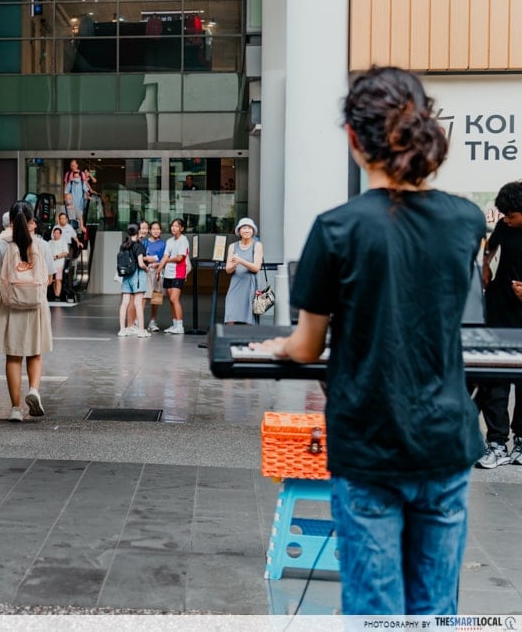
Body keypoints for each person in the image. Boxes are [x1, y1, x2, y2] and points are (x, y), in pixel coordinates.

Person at [251, 66, 486, 615]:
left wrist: (274, 346)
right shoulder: (466, 221)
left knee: (375, 612)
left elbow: (306, 348)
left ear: (355, 139)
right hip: (445, 442)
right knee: (434, 611)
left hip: (369, 445)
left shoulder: (337, 228)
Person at [0, 201, 55, 423]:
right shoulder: (42, 245)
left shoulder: (0, 245)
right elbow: (49, 278)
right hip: (36, 305)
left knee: (13, 356)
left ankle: (14, 408)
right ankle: (33, 389)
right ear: (33, 221)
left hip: (10, 304)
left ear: (10, 222)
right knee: (34, 352)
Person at [474, 181, 522, 468]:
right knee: (495, 380)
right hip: (499, 310)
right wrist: (486, 266)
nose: (505, 219)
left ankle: (520, 443)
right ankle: (496, 443)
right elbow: (489, 250)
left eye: (511, 214)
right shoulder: (505, 226)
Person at [223, 217, 264, 325]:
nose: (247, 230)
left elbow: (256, 268)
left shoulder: (257, 245)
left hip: (250, 284)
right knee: (230, 313)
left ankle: (247, 340)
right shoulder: (233, 246)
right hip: (235, 283)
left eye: (250, 228)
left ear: (253, 231)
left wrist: (240, 260)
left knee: (248, 317)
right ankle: (229, 339)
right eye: (244, 228)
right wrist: (234, 265)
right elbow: (228, 269)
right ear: (239, 231)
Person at [155, 218, 190, 334]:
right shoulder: (169, 241)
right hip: (168, 273)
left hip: (178, 273)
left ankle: (180, 326)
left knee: (174, 299)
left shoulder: (183, 240)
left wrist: (167, 261)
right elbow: (165, 257)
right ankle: (175, 325)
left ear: (182, 228)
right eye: (172, 226)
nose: (174, 228)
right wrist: (158, 270)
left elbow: (180, 258)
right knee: (171, 301)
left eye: (176, 226)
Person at [117, 222, 149, 337]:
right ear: (138, 231)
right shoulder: (139, 246)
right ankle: (141, 331)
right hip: (137, 276)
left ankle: (122, 329)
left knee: (124, 303)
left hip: (126, 276)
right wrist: (147, 268)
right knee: (138, 303)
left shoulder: (124, 245)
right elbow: (141, 263)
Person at [143, 221, 167, 332]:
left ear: (161, 230)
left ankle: (152, 321)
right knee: (143, 297)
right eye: (153, 229)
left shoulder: (163, 244)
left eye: (158, 229)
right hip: (146, 271)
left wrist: (158, 264)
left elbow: (164, 259)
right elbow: (140, 257)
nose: (156, 231)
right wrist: (148, 259)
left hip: (158, 272)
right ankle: (138, 321)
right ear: (149, 230)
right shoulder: (144, 242)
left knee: (156, 298)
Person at [63, 160, 96, 234]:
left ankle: (79, 231)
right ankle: (71, 232)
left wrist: (90, 191)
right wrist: (65, 198)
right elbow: (66, 187)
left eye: (74, 165)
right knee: (70, 216)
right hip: (71, 201)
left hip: (80, 201)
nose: (73, 167)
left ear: (77, 165)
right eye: (71, 165)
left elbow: (85, 183)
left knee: (79, 216)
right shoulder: (68, 174)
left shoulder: (82, 174)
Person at [48, 226, 69, 301]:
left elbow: (65, 253)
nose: (56, 234)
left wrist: (56, 256)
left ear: (60, 234)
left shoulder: (63, 242)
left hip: (59, 264)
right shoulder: (50, 242)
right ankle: (55, 294)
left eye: (57, 233)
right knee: (52, 280)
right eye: (55, 233)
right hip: (50, 264)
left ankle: (57, 296)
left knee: (58, 279)